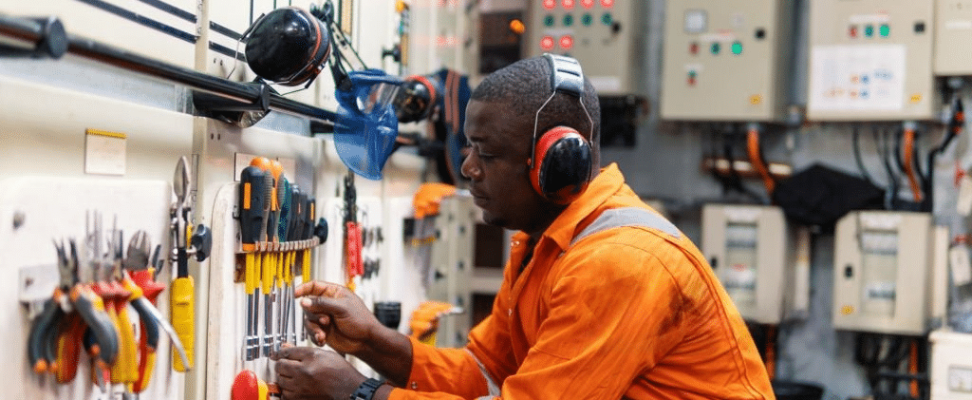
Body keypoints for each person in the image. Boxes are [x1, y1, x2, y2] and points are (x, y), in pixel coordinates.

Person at [272, 55, 776, 399]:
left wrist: (356, 392)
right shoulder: (543, 244)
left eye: (486, 154)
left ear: (558, 162)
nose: (467, 168)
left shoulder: (620, 263)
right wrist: (370, 341)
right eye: (468, 147)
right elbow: (485, 375)